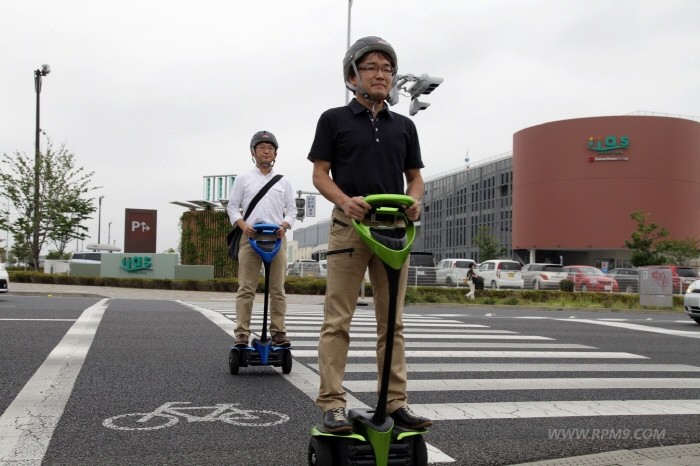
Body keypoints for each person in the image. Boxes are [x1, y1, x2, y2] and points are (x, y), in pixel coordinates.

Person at [308, 36, 432, 432]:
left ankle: (395, 402)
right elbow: (319, 175)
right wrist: (345, 201)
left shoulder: (405, 126)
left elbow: (415, 179)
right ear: (352, 76)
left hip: (395, 229)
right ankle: (332, 403)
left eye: (387, 68)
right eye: (372, 67)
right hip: (350, 228)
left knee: (392, 323)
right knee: (337, 319)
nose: (382, 74)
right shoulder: (334, 120)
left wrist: (414, 202)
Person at [227, 130, 297, 348]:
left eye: (270, 148)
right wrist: (243, 225)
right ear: (253, 152)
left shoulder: (283, 181)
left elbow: (292, 210)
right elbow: (232, 207)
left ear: (275, 153)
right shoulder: (243, 178)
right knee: (246, 288)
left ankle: (278, 332)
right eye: (261, 148)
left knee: (278, 289)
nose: (266, 151)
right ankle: (241, 333)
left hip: (276, 238)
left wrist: (284, 226)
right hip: (251, 237)